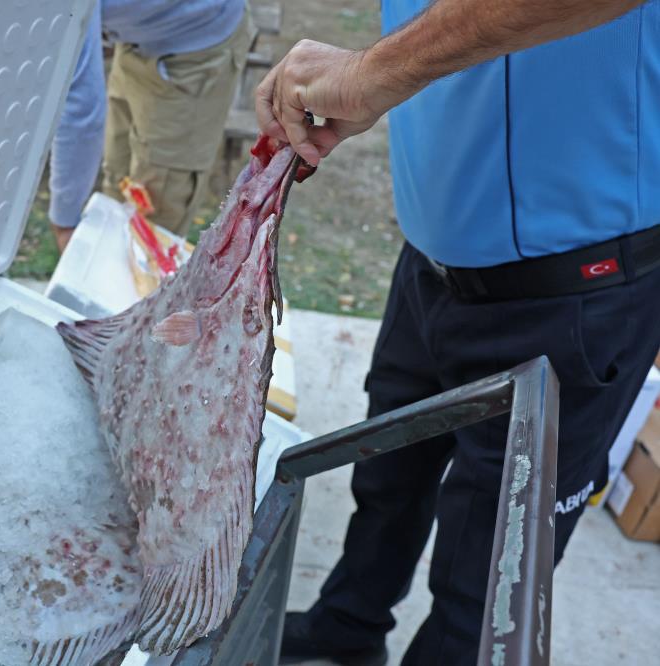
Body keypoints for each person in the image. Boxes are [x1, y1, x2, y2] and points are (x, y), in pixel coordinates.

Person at [256, 0, 660, 664]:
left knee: (487, 573)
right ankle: (346, 629)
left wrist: (373, 71)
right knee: (386, 480)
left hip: (572, 288)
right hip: (434, 254)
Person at [47, 0, 255, 252]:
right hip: (136, 34)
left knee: (155, 216)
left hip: (196, 42)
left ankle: (139, 287)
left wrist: (64, 222)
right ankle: (109, 268)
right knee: (118, 178)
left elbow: (80, 110)